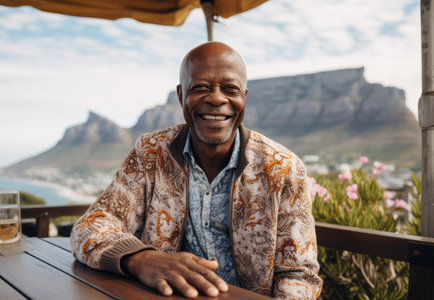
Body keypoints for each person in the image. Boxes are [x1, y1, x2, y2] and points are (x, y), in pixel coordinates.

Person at [70, 41, 322, 299]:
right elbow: (90, 227)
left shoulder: (283, 169)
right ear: (181, 96)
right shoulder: (150, 153)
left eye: (230, 89)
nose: (216, 98)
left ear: (244, 96)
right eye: (200, 87)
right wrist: (142, 259)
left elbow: (299, 275)